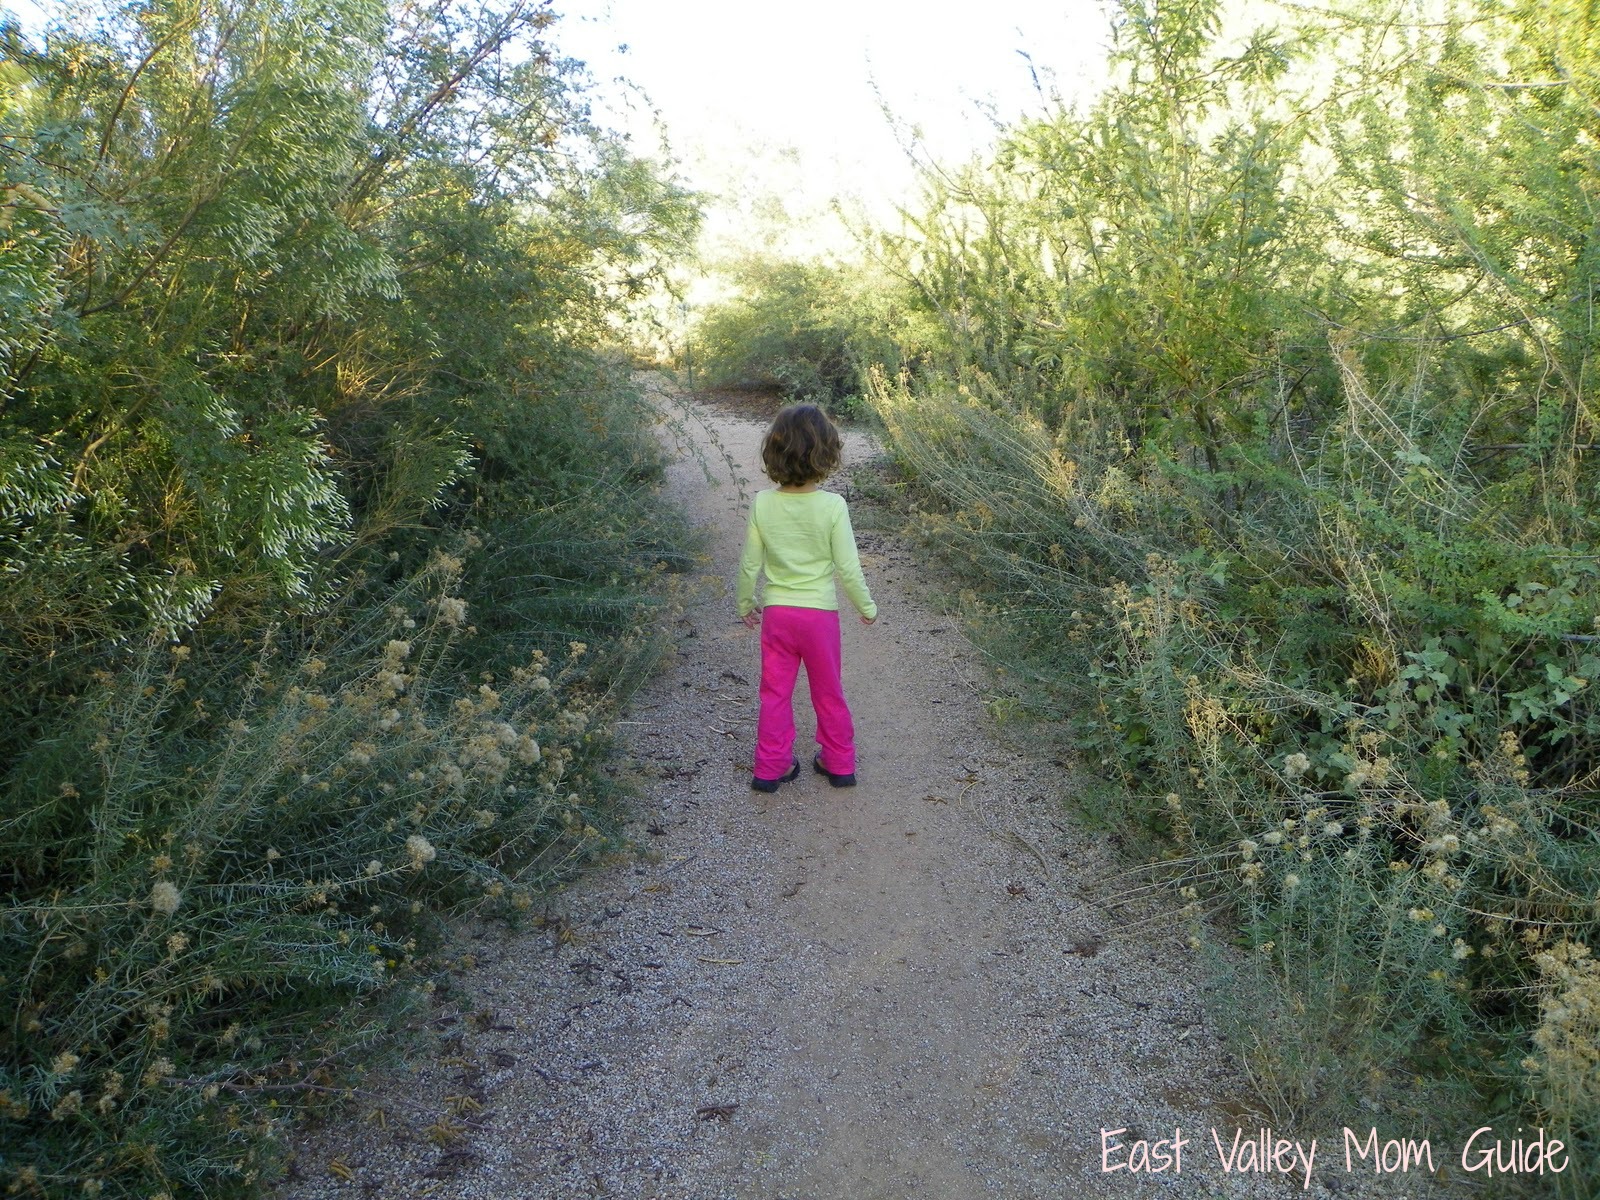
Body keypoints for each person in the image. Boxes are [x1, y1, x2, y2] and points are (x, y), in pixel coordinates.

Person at [736, 403, 877, 793]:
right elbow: (848, 567)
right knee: (828, 689)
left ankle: (770, 767)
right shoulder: (832, 506)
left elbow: (750, 564)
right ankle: (839, 763)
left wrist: (745, 604)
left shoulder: (763, 503)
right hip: (819, 618)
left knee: (775, 692)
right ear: (826, 453)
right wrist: (866, 607)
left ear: (773, 453)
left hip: (779, 615)